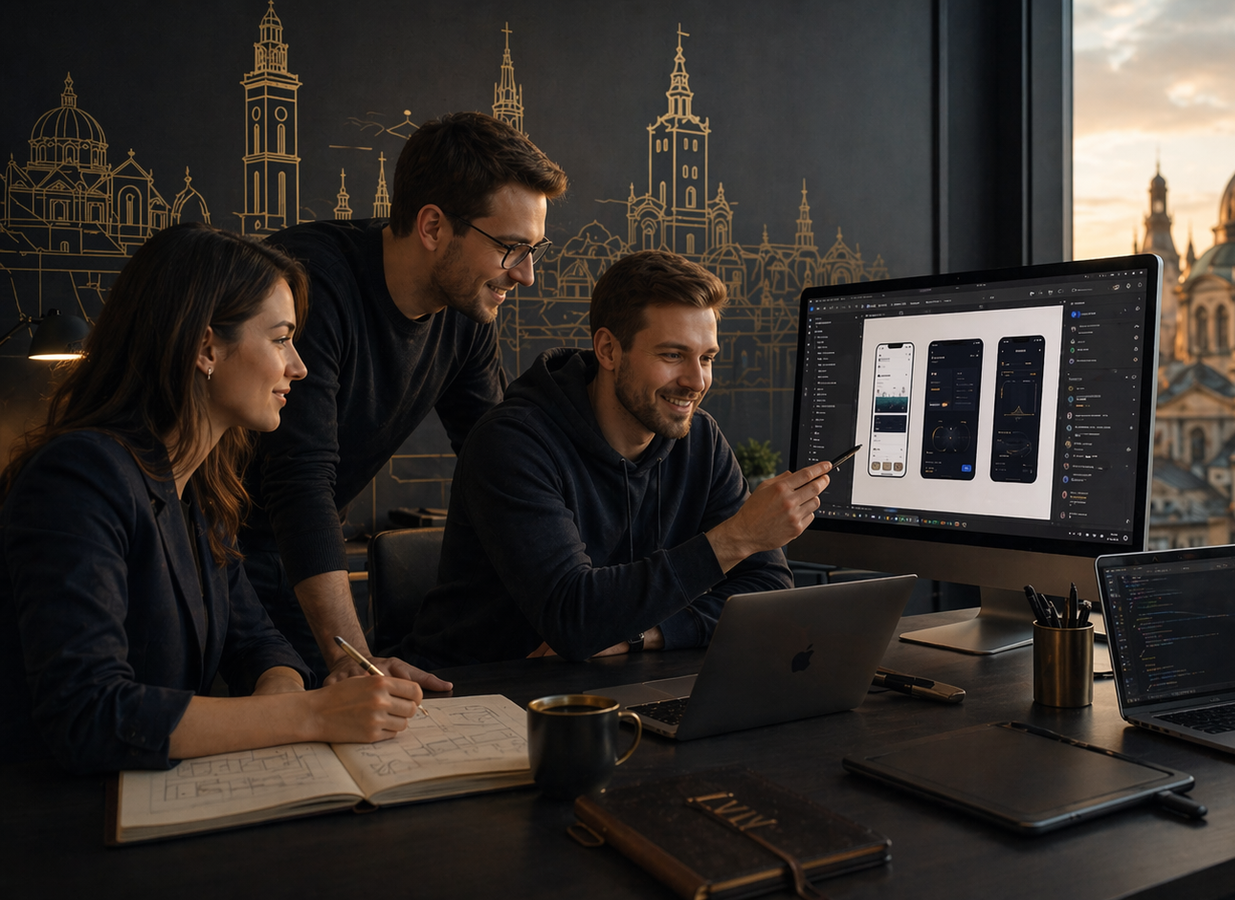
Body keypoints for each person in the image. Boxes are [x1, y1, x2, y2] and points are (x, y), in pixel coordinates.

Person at [0, 223, 423, 773]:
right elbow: (88, 711)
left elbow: (262, 645)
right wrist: (309, 715)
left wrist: (286, 693)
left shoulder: (196, 489)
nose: (299, 366)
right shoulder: (79, 477)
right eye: (280, 338)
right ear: (206, 348)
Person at [243, 111, 568, 688]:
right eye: (512, 249)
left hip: (300, 549)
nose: (527, 276)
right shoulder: (311, 281)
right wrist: (354, 661)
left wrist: (562, 606)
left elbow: (500, 462)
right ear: (434, 226)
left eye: (536, 250)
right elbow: (299, 481)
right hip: (210, 545)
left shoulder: (466, 313)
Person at [400, 250, 825, 666]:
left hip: (618, 685)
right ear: (608, 350)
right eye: (672, 355)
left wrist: (649, 635)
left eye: (707, 358)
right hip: (482, 696)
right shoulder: (513, 442)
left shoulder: (702, 441)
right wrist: (738, 537)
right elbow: (574, 619)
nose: (696, 381)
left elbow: (767, 588)